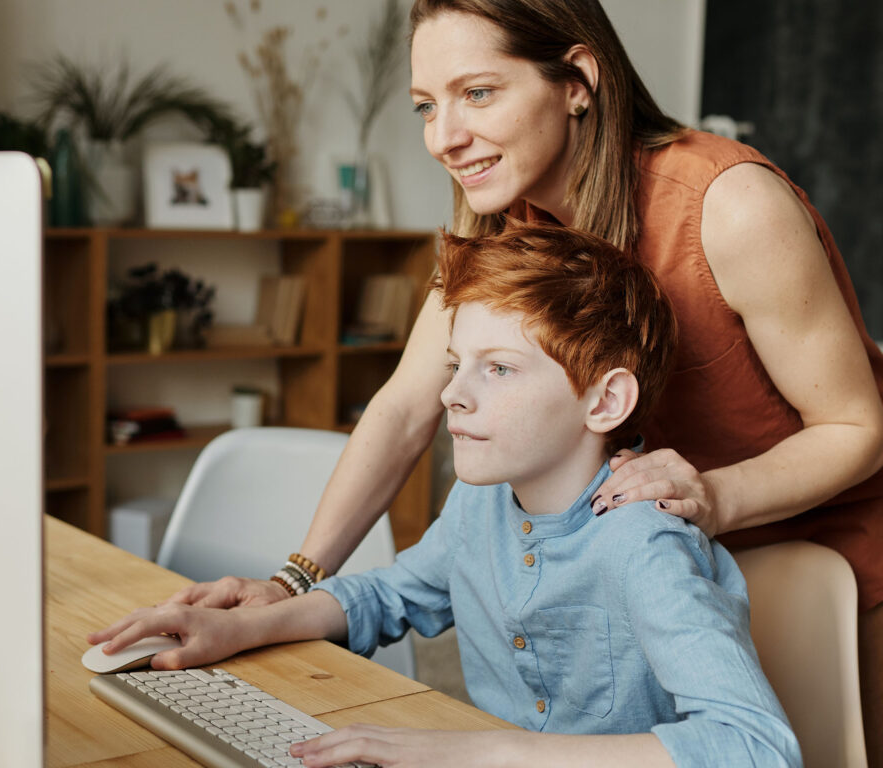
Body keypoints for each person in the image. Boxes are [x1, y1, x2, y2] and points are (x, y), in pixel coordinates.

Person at [165, 1, 883, 761]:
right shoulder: (505, 224)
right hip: (646, 545)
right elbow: (407, 405)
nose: (443, 136)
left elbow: (857, 428)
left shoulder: (730, 207)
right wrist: (291, 582)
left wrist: (714, 496)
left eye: (477, 93)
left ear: (577, 80)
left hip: (817, 546)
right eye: (426, 105)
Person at [90, 223, 801, 767]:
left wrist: (485, 752)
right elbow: (391, 594)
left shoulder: (642, 542)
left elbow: (755, 746)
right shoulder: (480, 504)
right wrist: (244, 627)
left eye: (498, 369)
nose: (451, 395)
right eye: (458, 364)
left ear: (606, 400)